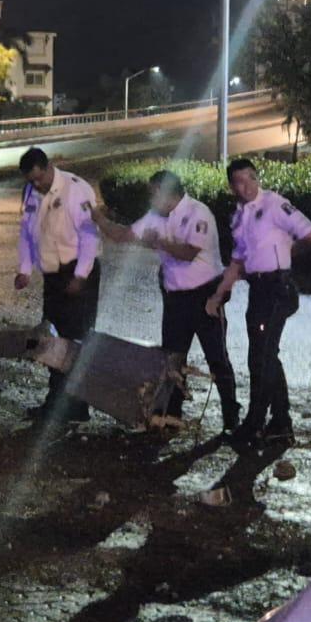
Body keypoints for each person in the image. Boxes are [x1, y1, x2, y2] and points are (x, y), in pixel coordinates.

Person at [92, 170, 241, 432]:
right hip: (175, 300)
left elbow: (188, 252)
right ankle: (172, 415)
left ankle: (231, 416)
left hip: (205, 297)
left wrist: (159, 241)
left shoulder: (198, 213)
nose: (151, 199)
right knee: (172, 359)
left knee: (216, 357)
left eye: (154, 193)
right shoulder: (155, 217)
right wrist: (98, 218)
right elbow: (124, 235)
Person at [206, 159, 311, 446]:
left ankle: (255, 423)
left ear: (256, 178)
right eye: (237, 183)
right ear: (231, 186)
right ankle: (281, 422)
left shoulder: (275, 205)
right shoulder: (240, 215)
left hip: (277, 289)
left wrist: (287, 255)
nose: (244, 187)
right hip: (258, 290)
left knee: (261, 358)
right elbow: (237, 260)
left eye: (248, 180)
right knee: (266, 355)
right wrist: (219, 294)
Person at [15, 147, 101, 424]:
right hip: (53, 277)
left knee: (76, 340)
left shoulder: (76, 190)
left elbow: (90, 238)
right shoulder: (30, 192)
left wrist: (80, 276)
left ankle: (72, 406)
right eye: (31, 181)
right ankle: (60, 404)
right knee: (52, 338)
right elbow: (26, 235)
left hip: (77, 274)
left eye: (39, 179)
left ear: (49, 167)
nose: (36, 185)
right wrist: (25, 270)